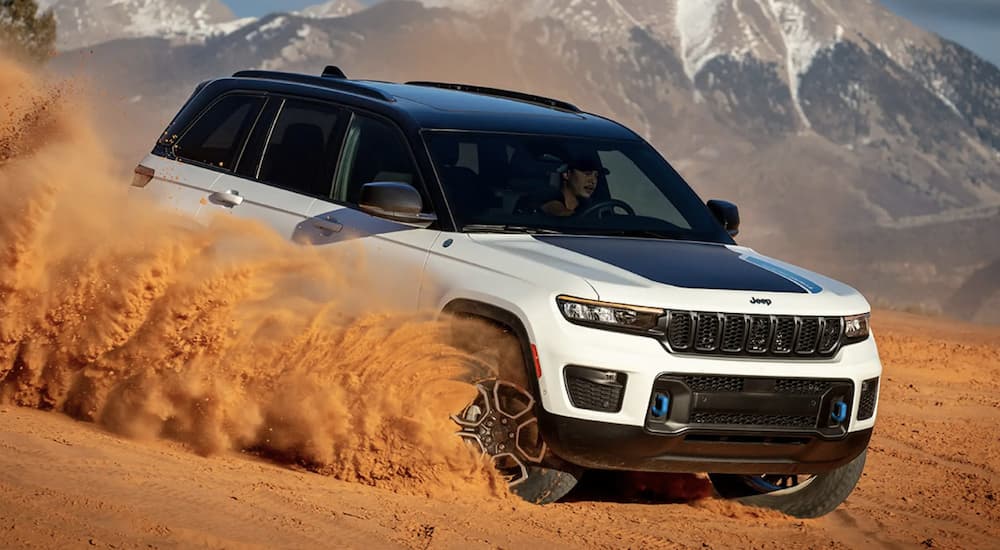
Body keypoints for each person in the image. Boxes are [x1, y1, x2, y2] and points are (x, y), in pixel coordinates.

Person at [540, 157, 609, 217]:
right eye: (587, 173)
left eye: (596, 176)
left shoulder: (589, 207)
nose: (593, 181)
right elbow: (556, 209)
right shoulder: (551, 201)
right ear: (567, 174)